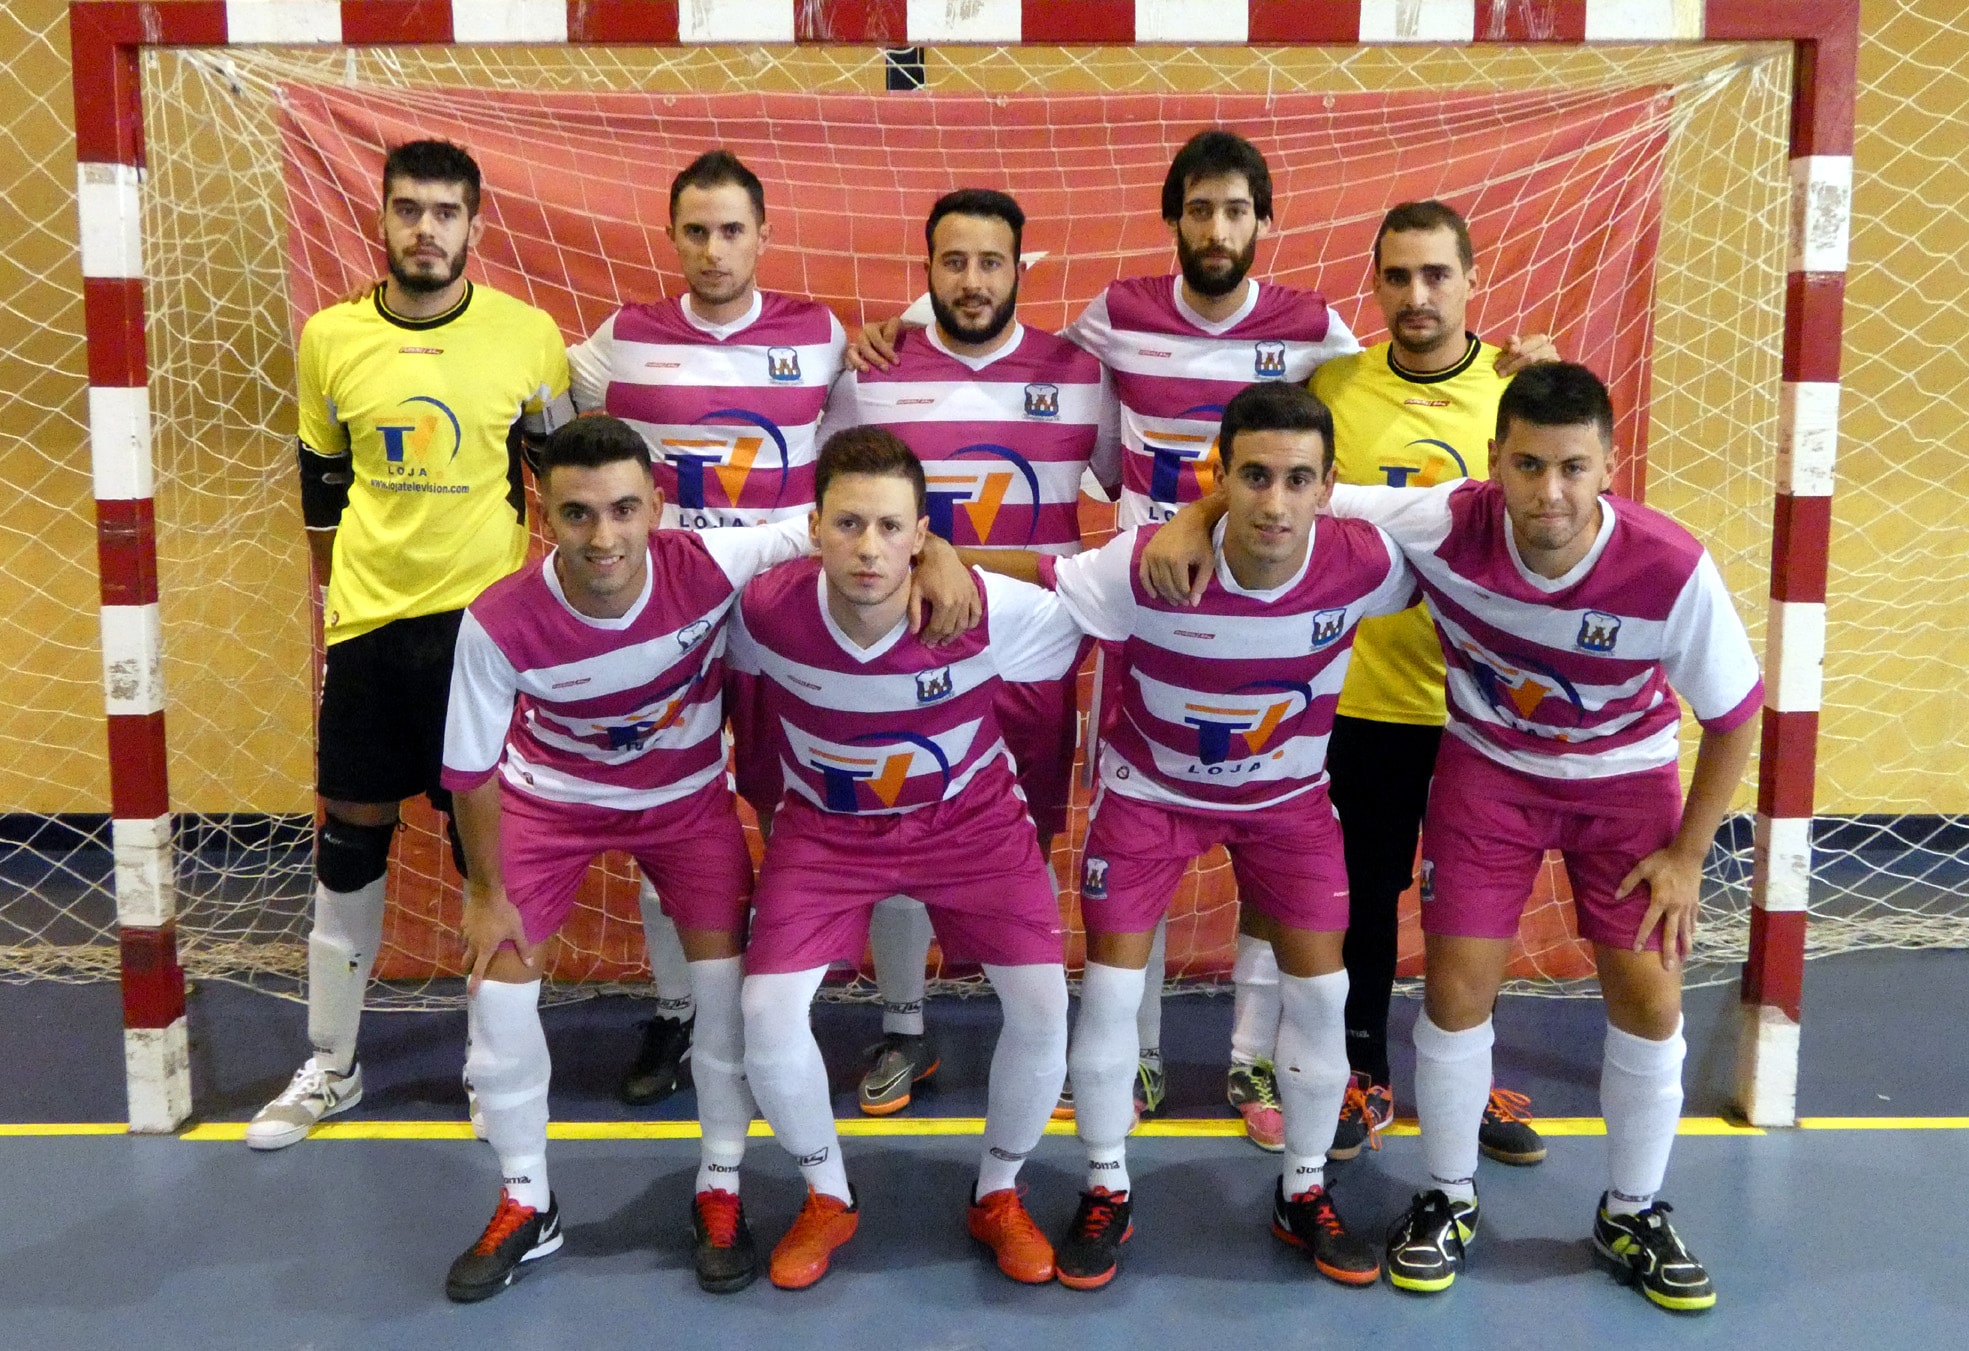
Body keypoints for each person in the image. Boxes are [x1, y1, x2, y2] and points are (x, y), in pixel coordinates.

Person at [1154, 363, 1758, 1311]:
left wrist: (1686, 855)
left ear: (1608, 466)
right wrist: (1192, 520)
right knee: (1453, 987)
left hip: (1624, 788)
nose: (1547, 491)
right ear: (1492, 462)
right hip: (1489, 778)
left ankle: (1631, 1208)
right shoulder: (1444, 521)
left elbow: (1733, 714)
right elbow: (1273, 484)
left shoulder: (1672, 568)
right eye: (1526, 464)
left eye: (1571, 467)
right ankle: (1445, 1194)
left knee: (1646, 996)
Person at [435, 416, 977, 1301]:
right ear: (546, 514)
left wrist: (940, 554)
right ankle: (527, 1201)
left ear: (655, 504)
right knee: (496, 1000)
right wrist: (487, 893)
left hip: (686, 806)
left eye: (621, 509)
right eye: (577, 514)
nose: (602, 536)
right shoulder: (496, 623)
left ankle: (719, 1186)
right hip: (548, 807)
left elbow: (850, 521)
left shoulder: (713, 562)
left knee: (725, 1006)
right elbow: (469, 770)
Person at [965, 380, 1416, 1289]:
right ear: (1220, 475)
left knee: (1324, 999)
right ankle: (1106, 1185)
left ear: (1329, 486)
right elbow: (1041, 579)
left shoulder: (1368, 562)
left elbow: (1472, 541)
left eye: (1297, 480)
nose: (1274, 502)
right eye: (1252, 477)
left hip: (1287, 802)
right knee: (1111, 998)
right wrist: (933, 555)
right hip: (1148, 798)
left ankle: (1303, 1188)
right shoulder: (1146, 565)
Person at [1215, 200, 1557, 1164]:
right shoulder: (1332, 385)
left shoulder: (1519, 390)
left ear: (1470, 279)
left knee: (1470, 908)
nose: (1416, 295)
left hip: (1477, 707)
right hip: (1355, 697)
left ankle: (1462, 1075)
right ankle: (1361, 1072)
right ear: (1375, 283)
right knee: (1356, 896)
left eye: (1436, 275)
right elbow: (1265, 471)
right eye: (1397, 276)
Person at [252, 139, 573, 1151]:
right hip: (369, 631)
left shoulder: (527, 336)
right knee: (349, 839)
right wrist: (342, 589)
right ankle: (333, 1064)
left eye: (445, 211)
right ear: (381, 220)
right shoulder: (329, 338)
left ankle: (491, 1065)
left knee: (492, 847)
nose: (426, 228)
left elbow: (562, 475)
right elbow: (319, 480)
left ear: (476, 225)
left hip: (484, 635)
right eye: (408, 210)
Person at [727, 428, 1084, 1291]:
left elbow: (1093, 608)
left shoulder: (989, 609)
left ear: (923, 533)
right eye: (848, 524)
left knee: (1042, 1006)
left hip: (970, 823)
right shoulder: (760, 609)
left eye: (892, 528)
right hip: (824, 830)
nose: (869, 548)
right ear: (812, 527)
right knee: (766, 1013)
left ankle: (997, 1192)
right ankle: (825, 1196)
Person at [821, 187, 1117, 1115]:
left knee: (1017, 847)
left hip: (1032, 656)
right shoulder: (868, 373)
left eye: (991, 262)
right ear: (927, 271)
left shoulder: (1083, 372)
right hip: (906, 656)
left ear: (1020, 269)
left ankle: (1032, 1036)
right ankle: (904, 1029)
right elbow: (830, 507)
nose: (972, 280)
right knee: (902, 828)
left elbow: (1127, 482)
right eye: (953, 261)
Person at [566, 149, 848, 1108]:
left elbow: (858, 449)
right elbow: (544, 412)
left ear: (764, 236)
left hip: (781, 621)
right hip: (666, 623)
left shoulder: (821, 337)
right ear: (673, 235)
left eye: (732, 229)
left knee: (791, 804)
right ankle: (680, 1005)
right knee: (665, 809)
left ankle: (775, 996)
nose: (714, 248)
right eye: (696, 230)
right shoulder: (623, 341)